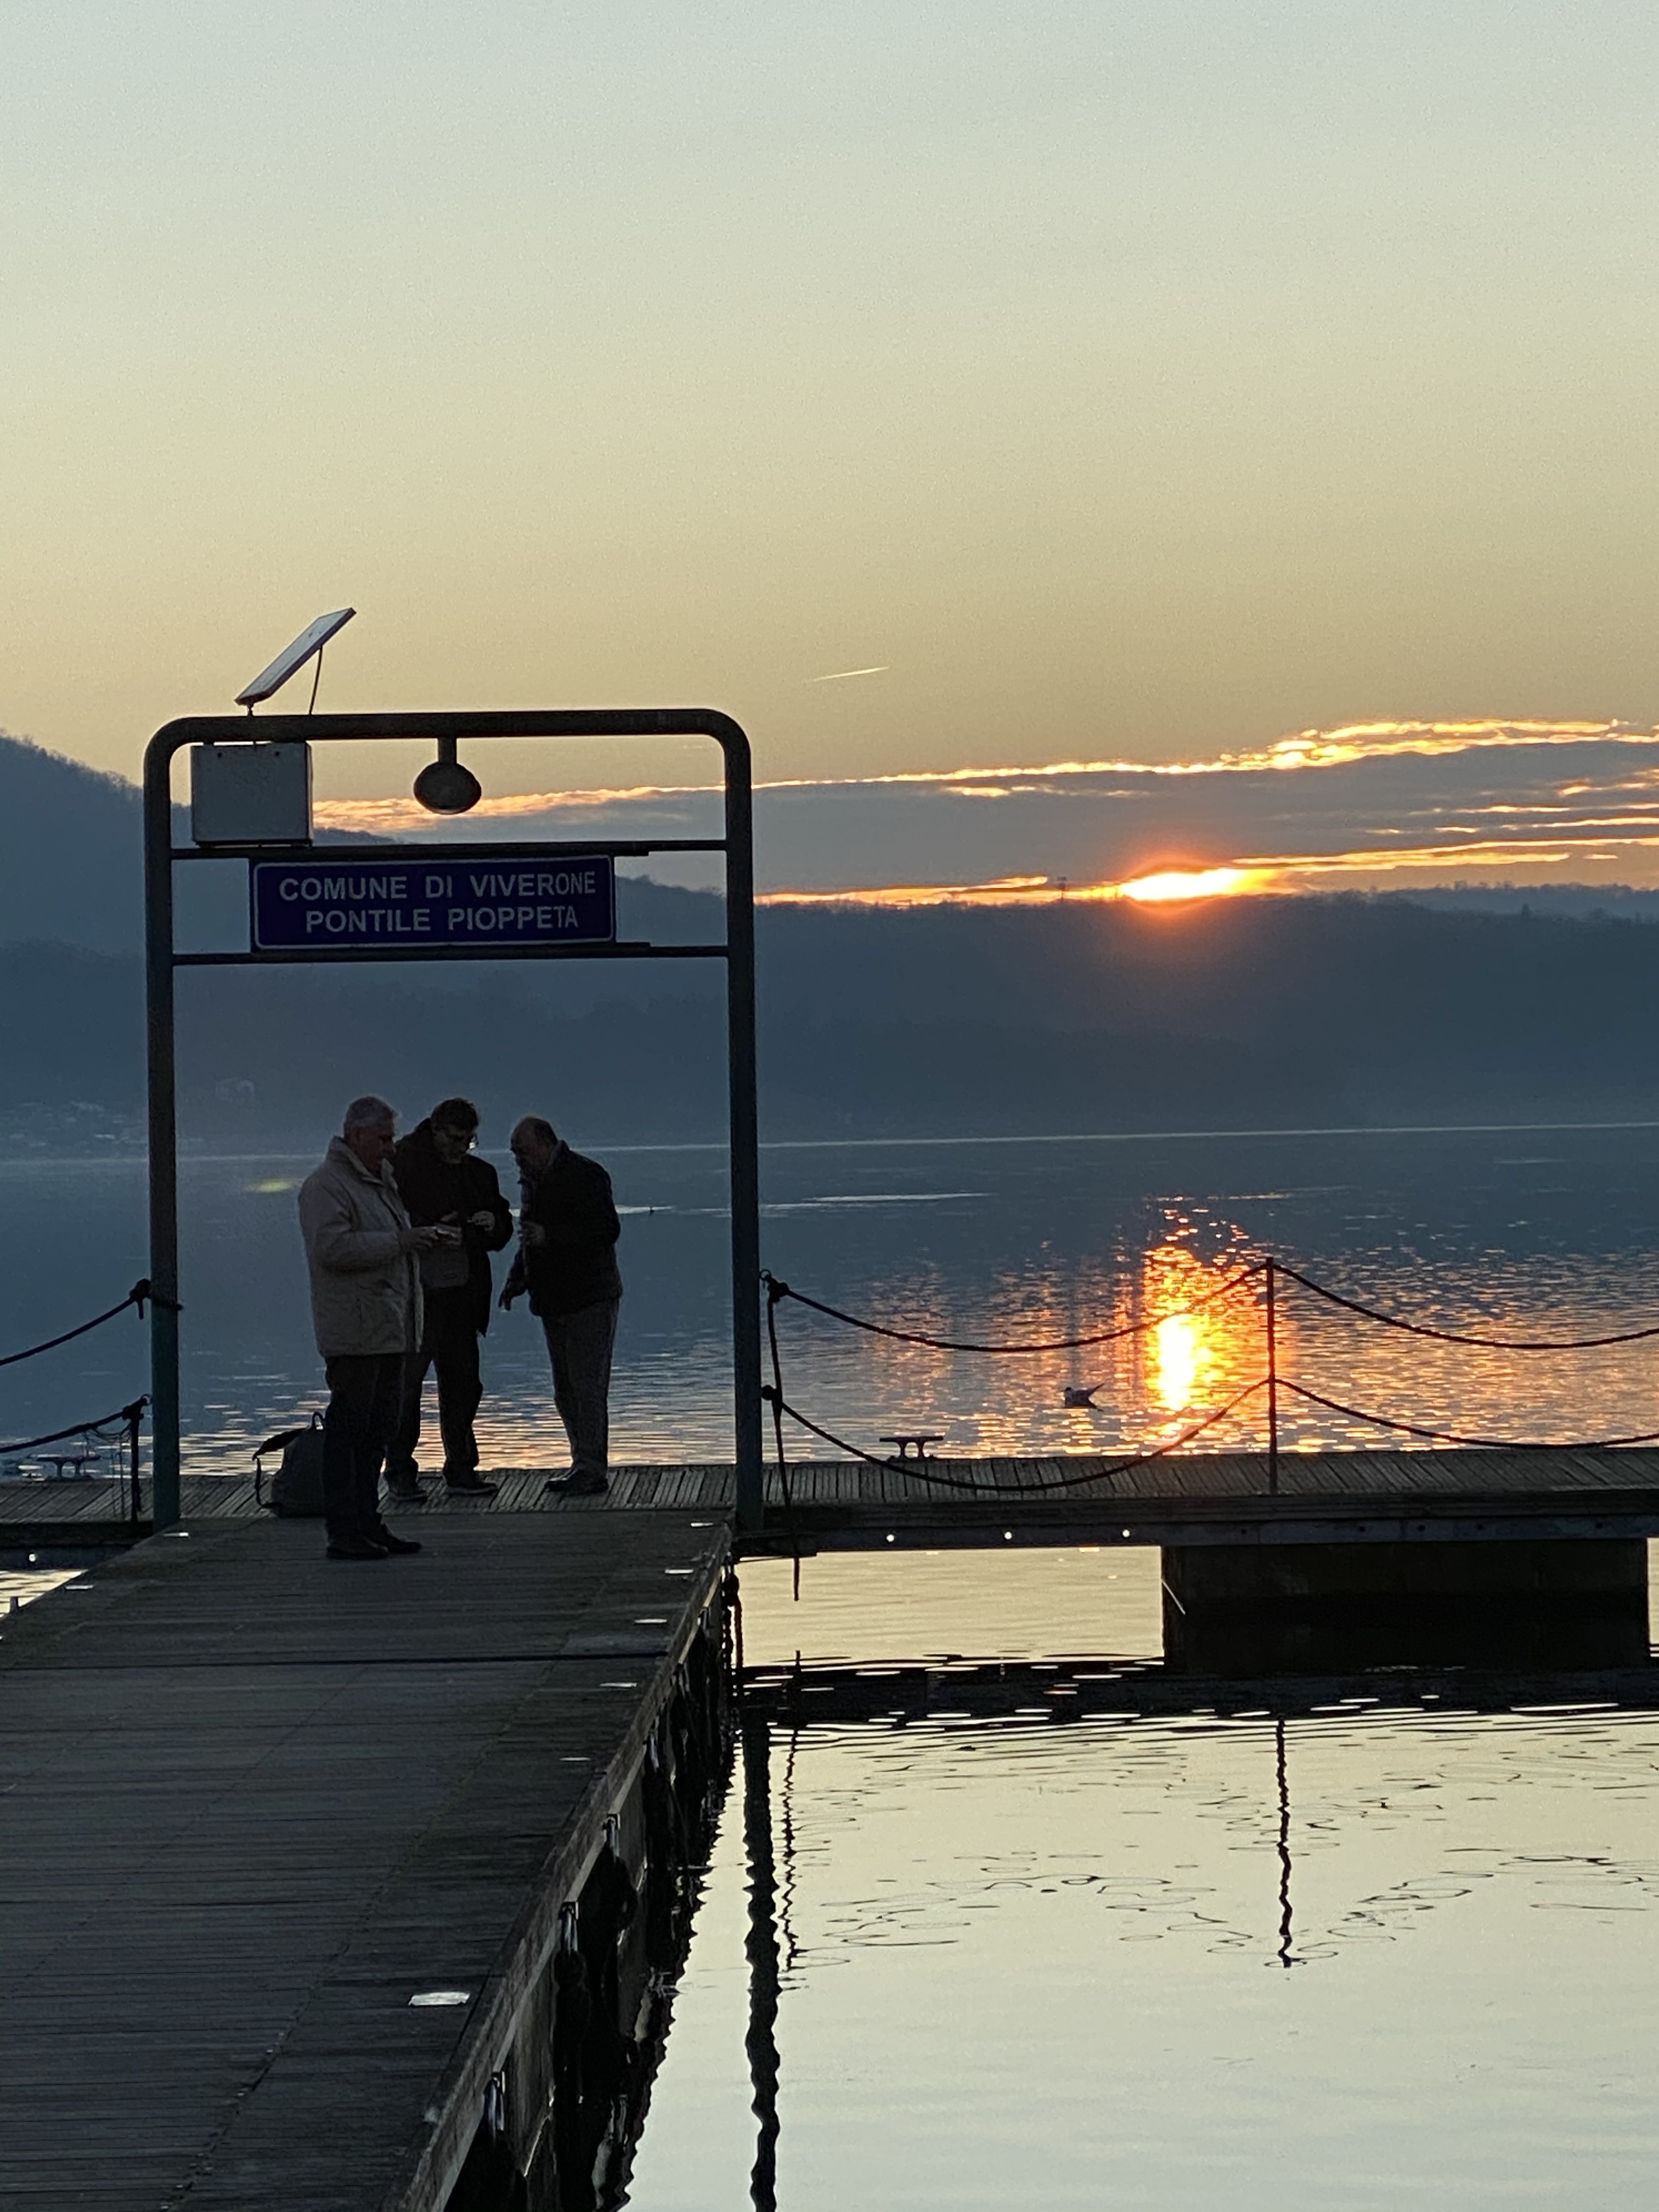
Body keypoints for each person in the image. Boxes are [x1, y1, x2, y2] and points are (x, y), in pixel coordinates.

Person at [297, 1095, 453, 1559]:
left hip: (389, 1329)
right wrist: (403, 1241)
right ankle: (343, 1530)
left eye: (392, 1138)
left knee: (378, 1430)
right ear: (357, 1134)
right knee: (349, 1433)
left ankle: (368, 1522)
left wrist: (413, 1240)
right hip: (354, 1331)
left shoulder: (378, 1184)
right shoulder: (326, 1187)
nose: (391, 1147)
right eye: (384, 1139)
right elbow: (332, 1250)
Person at [385, 1097, 514, 1500]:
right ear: (437, 1131)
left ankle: (461, 1469)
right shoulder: (401, 1165)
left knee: (463, 1387)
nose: (463, 1148)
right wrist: (431, 1230)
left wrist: (485, 1228)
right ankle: (400, 1471)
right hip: (414, 1296)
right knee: (406, 1389)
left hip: (462, 1295)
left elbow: (502, 1225)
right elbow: (388, 1223)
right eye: (457, 1139)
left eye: (470, 1141)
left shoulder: (480, 1174)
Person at [501, 1115, 623, 1496]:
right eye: (514, 1154)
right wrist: (517, 1279)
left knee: (587, 1386)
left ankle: (592, 1468)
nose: (518, 1160)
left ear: (546, 1143)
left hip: (590, 1297)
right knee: (566, 1389)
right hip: (553, 1300)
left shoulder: (585, 1174)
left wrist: (550, 1237)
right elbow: (529, 1240)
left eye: (523, 1151)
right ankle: (581, 1463)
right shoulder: (532, 1183)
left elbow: (606, 1229)